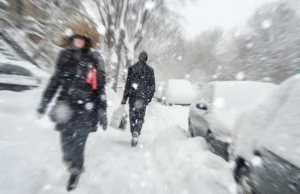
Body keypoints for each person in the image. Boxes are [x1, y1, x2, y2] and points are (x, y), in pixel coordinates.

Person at [37, 23, 107, 191]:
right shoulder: (64, 56)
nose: (79, 41)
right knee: (66, 145)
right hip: (65, 109)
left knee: (79, 144)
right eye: (76, 38)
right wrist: (44, 103)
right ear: (71, 39)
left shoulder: (94, 58)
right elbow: (55, 81)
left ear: (87, 41)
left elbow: (100, 87)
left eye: (82, 39)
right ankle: (70, 163)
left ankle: (75, 172)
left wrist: (102, 110)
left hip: (86, 110)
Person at [121, 51, 155, 147]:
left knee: (132, 116)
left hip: (133, 97)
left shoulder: (132, 69)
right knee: (140, 117)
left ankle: (133, 132)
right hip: (142, 98)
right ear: (146, 59)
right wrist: (148, 98)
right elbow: (152, 86)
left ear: (139, 58)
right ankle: (137, 131)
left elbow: (128, 84)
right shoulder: (150, 70)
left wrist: (125, 98)